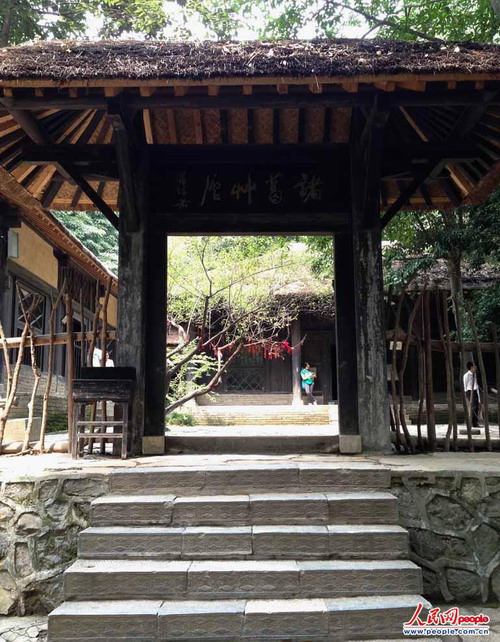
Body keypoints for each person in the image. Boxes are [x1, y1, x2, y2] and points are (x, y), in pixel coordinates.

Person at [463, 362, 481, 427]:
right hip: (469, 391)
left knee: (477, 407)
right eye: (474, 366)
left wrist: (479, 398)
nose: (475, 367)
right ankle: (473, 423)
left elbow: (476, 384)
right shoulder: (466, 375)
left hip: (475, 390)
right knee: (473, 407)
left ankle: (475, 422)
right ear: (471, 367)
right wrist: (467, 394)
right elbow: (465, 385)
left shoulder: (475, 374)